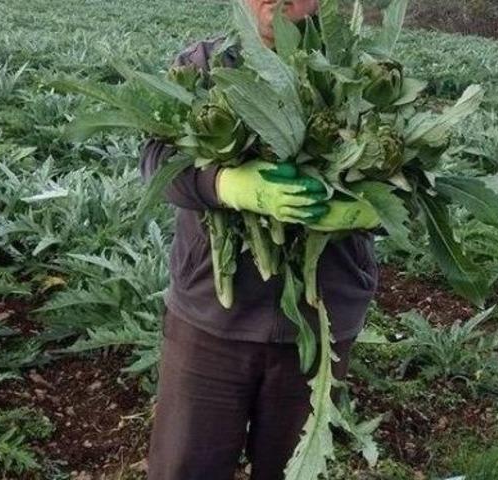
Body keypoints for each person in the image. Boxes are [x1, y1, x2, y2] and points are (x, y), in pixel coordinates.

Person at [140, 1, 381, 478]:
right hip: (211, 320)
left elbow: (415, 180)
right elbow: (156, 162)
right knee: (187, 467)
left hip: (319, 323)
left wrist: (371, 209)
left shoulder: (363, 78)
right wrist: (226, 187)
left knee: (294, 470)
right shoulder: (202, 67)